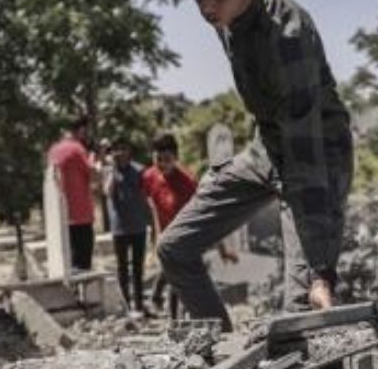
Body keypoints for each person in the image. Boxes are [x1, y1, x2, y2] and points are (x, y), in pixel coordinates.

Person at [159, 0, 353, 331]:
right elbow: (273, 125)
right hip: (267, 146)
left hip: (317, 156)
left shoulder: (288, 39)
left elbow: (306, 163)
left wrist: (321, 269)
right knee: (174, 249)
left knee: (301, 309)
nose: (206, 7)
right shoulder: (224, 9)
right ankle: (222, 352)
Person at [142, 132, 237, 318]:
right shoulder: (149, 177)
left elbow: (208, 215)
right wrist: (156, 239)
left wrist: (222, 249)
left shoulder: (187, 183)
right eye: (158, 159)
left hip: (188, 239)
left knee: (177, 279)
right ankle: (168, 311)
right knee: (170, 268)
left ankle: (174, 316)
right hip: (167, 239)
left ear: (176, 158)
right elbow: (154, 209)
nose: (162, 164)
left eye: (167, 160)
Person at [104, 138, 152, 315]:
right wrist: (113, 171)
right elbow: (108, 192)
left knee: (138, 268)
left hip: (138, 225)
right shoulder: (110, 172)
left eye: (124, 149)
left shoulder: (139, 171)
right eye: (116, 150)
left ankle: (139, 304)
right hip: (119, 228)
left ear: (129, 151)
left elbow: (147, 195)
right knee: (122, 268)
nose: (120, 153)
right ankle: (125, 305)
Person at [48, 116, 97, 271]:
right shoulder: (77, 149)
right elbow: (93, 174)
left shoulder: (53, 150)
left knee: (67, 265)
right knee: (83, 266)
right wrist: (94, 157)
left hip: (60, 215)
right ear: (81, 130)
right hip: (81, 216)